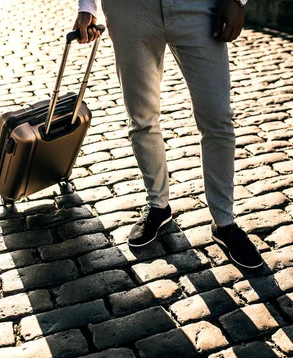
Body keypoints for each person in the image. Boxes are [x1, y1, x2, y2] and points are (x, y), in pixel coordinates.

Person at [75, 0, 263, 269]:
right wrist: (87, 6)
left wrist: (237, 0)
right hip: (129, 11)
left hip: (198, 8)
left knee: (217, 118)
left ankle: (224, 223)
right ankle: (158, 206)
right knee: (141, 117)